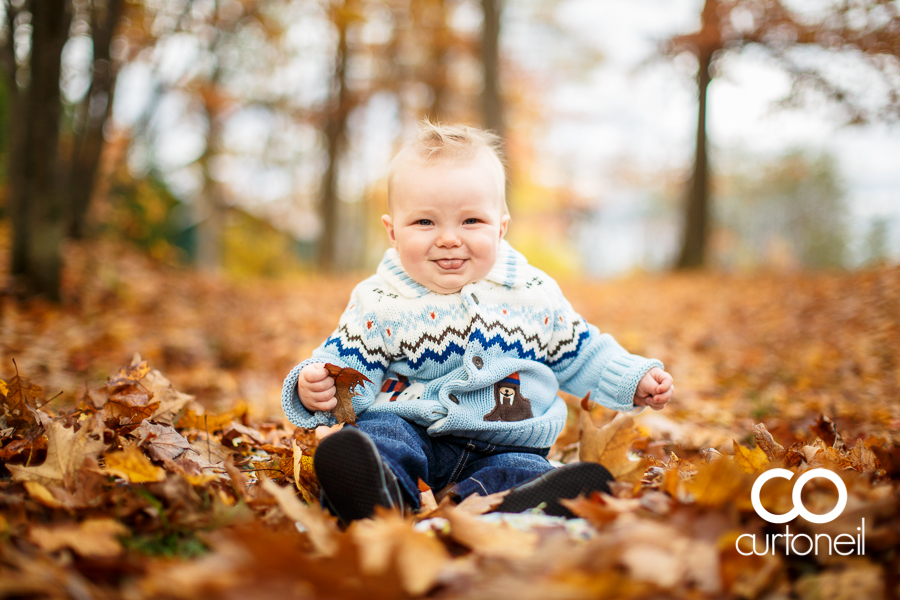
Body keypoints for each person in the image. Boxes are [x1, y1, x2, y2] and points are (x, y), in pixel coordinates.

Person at [281, 120, 674, 524]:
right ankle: (379, 493)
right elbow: (346, 362)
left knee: (519, 470)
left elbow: (579, 350)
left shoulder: (532, 291)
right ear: (393, 232)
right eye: (425, 222)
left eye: (471, 221)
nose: (449, 238)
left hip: (508, 440)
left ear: (500, 228)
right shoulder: (380, 299)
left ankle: (510, 505)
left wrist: (631, 377)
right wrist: (318, 385)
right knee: (379, 437)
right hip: (411, 427)